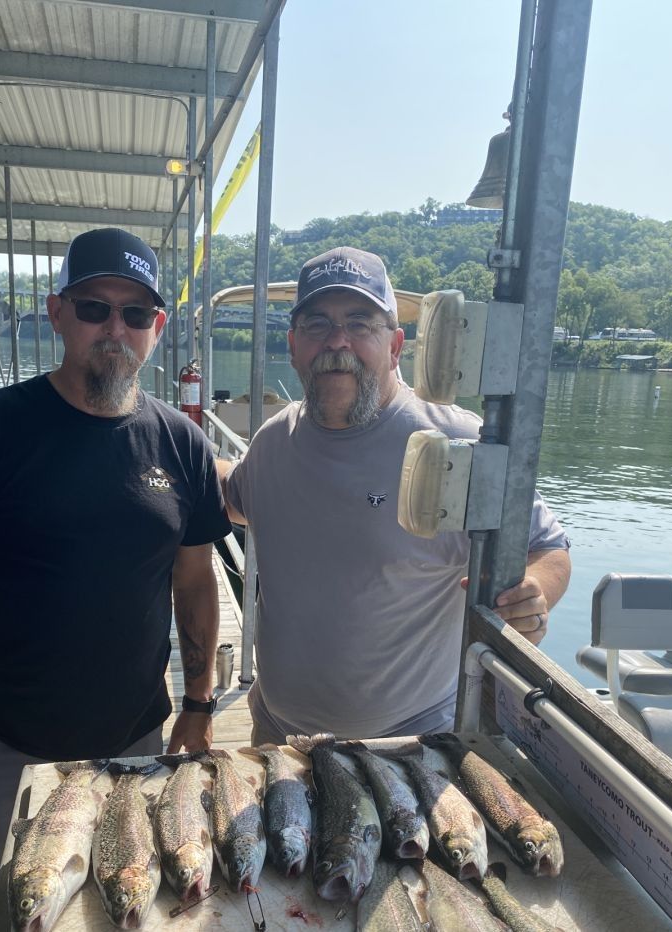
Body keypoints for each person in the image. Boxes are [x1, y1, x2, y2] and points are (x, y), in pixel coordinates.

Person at [0, 227, 231, 930]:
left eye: (136, 314)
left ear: (157, 328)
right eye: (94, 306)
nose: (116, 327)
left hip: (132, 740)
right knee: (3, 911)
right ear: (57, 312)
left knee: (119, 910)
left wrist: (198, 704)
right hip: (0, 743)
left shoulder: (181, 443)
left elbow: (195, 583)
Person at [217, 246, 571, 747]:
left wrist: (534, 590)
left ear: (396, 345)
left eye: (360, 323)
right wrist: (170, 449)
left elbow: (548, 547)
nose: (337, 341)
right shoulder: (274, 441)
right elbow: (234, 499)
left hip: (409, 747)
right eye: (317, 324)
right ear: (294, 345)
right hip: (275, 734)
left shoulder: (459, 446)